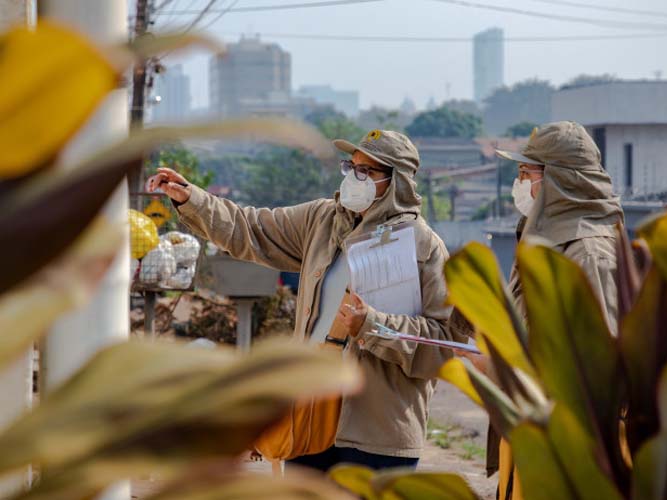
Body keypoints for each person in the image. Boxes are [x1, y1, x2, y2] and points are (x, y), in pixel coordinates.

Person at [150, 129, 463, 471]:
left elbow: (444, 343)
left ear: (398, 181)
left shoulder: (424, 248)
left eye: (367, 172)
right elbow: (251, 228)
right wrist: (191, 199)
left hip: (377, 430)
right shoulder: (322, 221)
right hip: (308, 417)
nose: (354, 179)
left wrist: (373, 326)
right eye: (351, 167)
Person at [454, 121, 624, 499]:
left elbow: (599, 375)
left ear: (559, 180)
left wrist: (498, 368)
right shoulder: (545, 240)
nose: (519, 184)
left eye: (526, 173)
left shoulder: (588, 255)